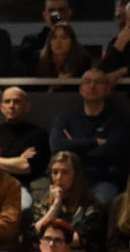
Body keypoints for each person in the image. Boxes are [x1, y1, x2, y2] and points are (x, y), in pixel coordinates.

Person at [48, 69, 128, 207]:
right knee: (48, 205)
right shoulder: (66, 117)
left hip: (102, 179)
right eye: (88, 82)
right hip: (68, 180)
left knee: (100, 207)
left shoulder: (118, 118)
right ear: (80, 89)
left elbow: (113, 151)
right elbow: (56, 147)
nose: (92, 86)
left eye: (98, 82)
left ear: (108, 89)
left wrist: (73, 145)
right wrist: (95, 142)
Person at [30, 151, 105, 252]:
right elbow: (36, 233)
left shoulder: (91, 205)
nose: (59, 177)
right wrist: (55, 205)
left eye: (65, 172)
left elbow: (81, 239)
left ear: (75, 176)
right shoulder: (43, 203)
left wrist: (50, 241)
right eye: (55, 172)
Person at [0, 88, 51, 207]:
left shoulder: (38, 134)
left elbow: (26, 166)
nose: (11, 106)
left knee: (22, 207)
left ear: (27, 106)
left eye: (16, 101)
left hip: (24, 185)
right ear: (2, 107)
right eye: (7, 101)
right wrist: (19, 159)